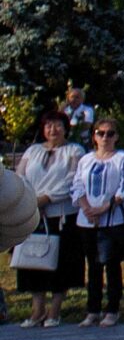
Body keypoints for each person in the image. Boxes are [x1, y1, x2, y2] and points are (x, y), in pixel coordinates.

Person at [14, 109, 82, 328]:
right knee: (33, 261)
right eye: (49, 126)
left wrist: (47, 198)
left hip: (60, 214)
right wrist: (30, 200)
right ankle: (37, 310)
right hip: (31, 213)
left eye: (58, 125)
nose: (53, 130)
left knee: (61, 263)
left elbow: (73, 180)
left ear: (65, 127)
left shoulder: (74, 150)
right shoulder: (32, 151)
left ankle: (55, 310)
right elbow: (20, 177)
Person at [73, 117, 124, 326]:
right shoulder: (86, 159)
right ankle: (93, 309)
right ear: (94, 136)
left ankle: (113, 308)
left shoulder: (121, 158)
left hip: (112, 219)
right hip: (87, 220)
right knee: (93, 266)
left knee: (111, 264)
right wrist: (86, 207)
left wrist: (104, 207)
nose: (105, 138)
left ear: (116, 136)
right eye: (101, 133)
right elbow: (77, 185)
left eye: (110, 134)